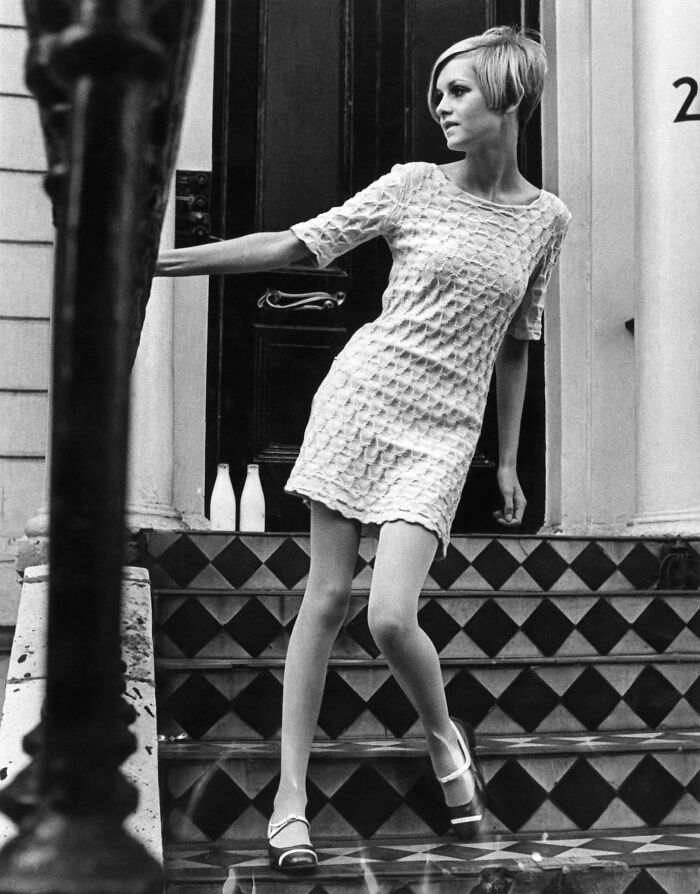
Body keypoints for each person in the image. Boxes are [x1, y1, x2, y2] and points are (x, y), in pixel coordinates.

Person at [156, 25, 571, 872]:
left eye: (458, 91)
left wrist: (504, 459)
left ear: (510, 93)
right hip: (363, 398)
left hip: (444, 429)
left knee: (390, 614)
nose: (441, 107)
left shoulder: (547, 219)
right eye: (438, 94)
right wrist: (162, 261)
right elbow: (296, 243)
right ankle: (290, 802)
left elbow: (519, 340)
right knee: (326, 595)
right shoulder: (413, 186)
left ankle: (441, 730)